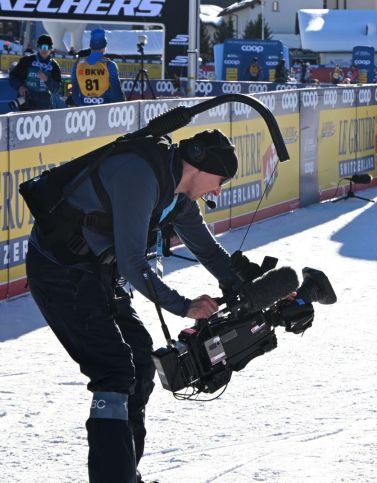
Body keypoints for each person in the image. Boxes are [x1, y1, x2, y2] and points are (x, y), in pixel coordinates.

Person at [26, 129, 245, 483]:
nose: (218, 191)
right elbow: (132, 264)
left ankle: (125, 473)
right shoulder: (140, 176)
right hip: (59, 270)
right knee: (113, 369)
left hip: (95, 271)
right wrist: (184, 306)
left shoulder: (178, 196)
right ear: (200, 167)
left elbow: (207, 249)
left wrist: (241, 286)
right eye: (220, 180)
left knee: (140, 361)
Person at [71, 28, 124, 106]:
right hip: (104, 109)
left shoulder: (78, 64)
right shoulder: (109, 65)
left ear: (90, 46)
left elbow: (75, 93)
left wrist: (82, 106)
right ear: (104, 47)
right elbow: (116, 93)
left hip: (84, 110)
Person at [9, 34, 62, 111]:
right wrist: (20, 87)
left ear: (51, 49)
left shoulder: (54, 65)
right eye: (42, 47)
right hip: (27, 103)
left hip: (45, 105)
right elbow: (13, 76)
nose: (44, 50)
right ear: (38, 47)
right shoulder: (27, 61)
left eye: (47, 47)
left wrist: (47, 80)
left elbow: (56, 89)